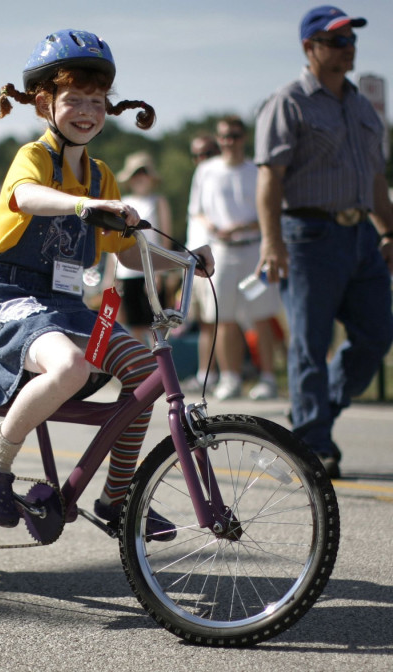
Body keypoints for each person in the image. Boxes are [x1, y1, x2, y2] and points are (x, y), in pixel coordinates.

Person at [0, 29, 214, 532]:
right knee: (72, 367)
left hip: (63, 303)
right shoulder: (34, 158)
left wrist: (186, 258)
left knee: (145, 374)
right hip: (10, 297)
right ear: (44, 103)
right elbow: (27, 197)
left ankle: (116, 500)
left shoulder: (102, 175)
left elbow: (127, 251)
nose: (87, 111)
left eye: (98, 101)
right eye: (74, 99)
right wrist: (85, 205)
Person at [255, 6, 393, 478]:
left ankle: (312, 422)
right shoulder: (288, 101)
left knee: (377, 334)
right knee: (309, 345)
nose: (347, 47)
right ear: (309, 48)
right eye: (336, 41)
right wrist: (271, 242)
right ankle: (315, 443)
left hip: (361, 236)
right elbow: (270, 180)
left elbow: (376, 176)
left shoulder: (360, 105)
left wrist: (388, 229)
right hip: (308, 235)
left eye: (350, 39)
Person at [189, 115, 282, 401]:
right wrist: (212, 227)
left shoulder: (257, 169)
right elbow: (197, 210)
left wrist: (245, 227)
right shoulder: (206, 170)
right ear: (219, 139)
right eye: (225, 136)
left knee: (261, 315)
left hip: (254, 249)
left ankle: (268, 378)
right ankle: (230, 377)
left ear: (244, 137)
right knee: (223, 316)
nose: (230, 141)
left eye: (235, 135)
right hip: (221, 251)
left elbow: (272, 211)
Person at [109, 151, 173, 344]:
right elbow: (114, 243)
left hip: (149, 270)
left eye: (143, 172)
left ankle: (160, 367)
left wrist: (159, 272)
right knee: (134, 324)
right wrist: (111, 278)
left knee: (156, 324)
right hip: (126, 272)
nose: (139, 178)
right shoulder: (123, 203)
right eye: (135, 174)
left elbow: (165, 239)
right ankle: (144, 367)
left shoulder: (158, 201)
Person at [182, 133, 222, 393]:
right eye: (197, 155)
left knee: (217, 318)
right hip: (193, 259)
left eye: (207, 153)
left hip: (215, 259)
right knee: (203, 323)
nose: (202, 160)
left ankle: (223, 374)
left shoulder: (219, 177)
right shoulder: (202, 176)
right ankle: (207, 373)